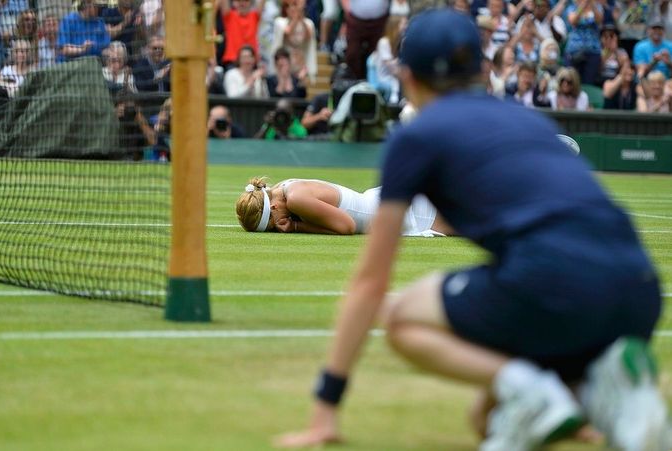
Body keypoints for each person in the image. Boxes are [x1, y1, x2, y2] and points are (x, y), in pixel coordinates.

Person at [274, 9, 668, 451]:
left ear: (406, 77)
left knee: (399, 316)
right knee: (486, 418)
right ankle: (606, 390)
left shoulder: (416, 136)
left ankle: (554, 391)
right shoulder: (531, 122)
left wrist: (326, 408)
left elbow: (370, 283)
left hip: (557, 284)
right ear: (483, 70)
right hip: (639, 292)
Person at [235, 177, 452, 236]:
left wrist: (295, 227)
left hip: (397, 213)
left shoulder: (294, 199)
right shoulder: (283, 188)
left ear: (272, 208)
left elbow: (347, 226)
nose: (277, 226)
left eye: (273, 225)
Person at [217, 0, 266, 68]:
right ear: (235, 2)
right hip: (232, 61)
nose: (242, 3)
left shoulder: (254, 16)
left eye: (246, 1)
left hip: (251, 62)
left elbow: (262, 3)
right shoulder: (230, 16)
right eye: (239, 0)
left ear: (250, 3)